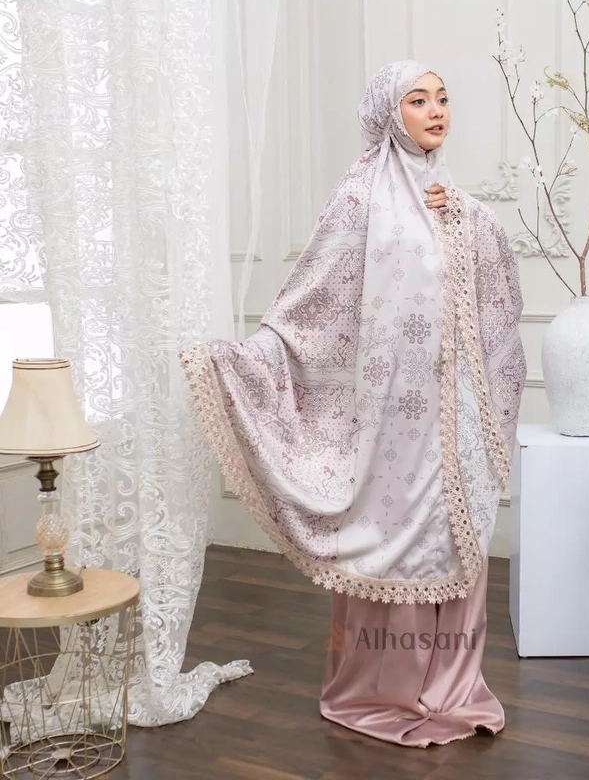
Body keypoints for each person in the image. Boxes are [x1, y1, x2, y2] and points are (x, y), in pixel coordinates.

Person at [180, 60, 526, 748]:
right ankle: (381, 688)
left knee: (458, 540)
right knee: (394, 544)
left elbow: (495, 293)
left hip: (455, 415)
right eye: (418, 100)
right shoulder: (359, 197)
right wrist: (248, 357)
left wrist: (466, 218)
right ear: (388, 113)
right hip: (390, 423)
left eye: (442, 98)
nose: (436, 111)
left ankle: (451, 686)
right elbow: (316, 300)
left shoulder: (454, 202)